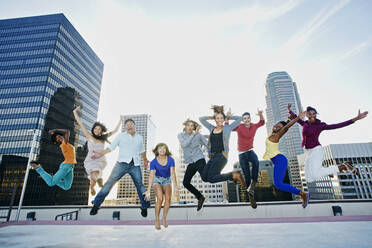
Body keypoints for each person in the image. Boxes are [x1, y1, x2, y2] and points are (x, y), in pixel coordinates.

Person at [288, 104, 368, 182]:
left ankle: (344, 166)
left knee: (315, 175)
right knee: (309, 178)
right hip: (308, 152)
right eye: (310, 114)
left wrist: (356, 118)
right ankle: (326, 170)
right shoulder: (304, 123)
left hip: (316, 150)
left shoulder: (320, 125)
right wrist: (289, 110)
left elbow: (337, 125)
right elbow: (296, 118)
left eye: (314, 114)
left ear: (316, 114)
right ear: (306, 115)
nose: (312, 115)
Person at [89, 118, 150, 217]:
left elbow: (142, 151)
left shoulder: (139, 137)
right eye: (127, 124)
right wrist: (100, 153)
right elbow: (111, 147)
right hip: (121, 164)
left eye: (131, 124)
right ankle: (96, 205)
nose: (129, 125)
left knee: (140, 185)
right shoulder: (121, 136)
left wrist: (145, 160)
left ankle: (144, 206)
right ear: (125, 127)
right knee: (109, 183)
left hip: (135, 165)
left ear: (134, 126)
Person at [263, 111, 310, 208]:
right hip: (277, 161)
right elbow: (285, 125)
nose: (276, 126)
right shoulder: (271, 134)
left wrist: (297, 118)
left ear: (281, 130)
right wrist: (288, 120)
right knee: (278, 184)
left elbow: (286, 127)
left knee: (278, 184)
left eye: (279, 127)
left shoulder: (276, 136)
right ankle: (302, 194)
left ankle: (302, 194)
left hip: (280, 160)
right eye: (276, 125)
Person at [73, 106, 122, 195]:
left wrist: (120, 121)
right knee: (93, 177)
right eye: (95, 128)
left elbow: (115, 131)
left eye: (99, 129)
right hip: (90, 159)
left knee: (94, 173)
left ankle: (97, 180)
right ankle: (93, 186)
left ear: (101, 131)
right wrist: (75, 112)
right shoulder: (89, 136)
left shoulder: (103, 138)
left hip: (99, 159)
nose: (96, 130)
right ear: (93, 129)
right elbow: (80, 123)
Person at [199, 105, 246, 189]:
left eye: (221, 118)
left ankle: (235, 174)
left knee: (211, 178)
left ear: (224, 119)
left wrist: (230, 117)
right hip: (212, 156)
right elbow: (201, 119)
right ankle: (231, 176)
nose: (219, 120)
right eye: (217, 118)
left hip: (221, 156)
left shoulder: (227, 128)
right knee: (204, 177)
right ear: (215, 119)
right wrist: (211, 117)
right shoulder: (211, 128)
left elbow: (240, 119)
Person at [227, 109, 265, 209]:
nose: (246, 120)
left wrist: (261, 114)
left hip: (250, 151)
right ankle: (251, 197)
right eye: (244, 119)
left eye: (248, 118)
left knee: (256, 162)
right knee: (247, 175)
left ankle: (253, 185)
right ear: (242, 120)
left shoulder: (254, 126)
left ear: (250, 119)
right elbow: (228, 128)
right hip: (241, 154)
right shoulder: (239, 127)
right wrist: (227, 118)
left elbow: (262, 122)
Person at [144, 143, 178, 230]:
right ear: (157, 150)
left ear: (166, 150)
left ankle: (163, 218)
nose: (162, 150)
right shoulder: (153, 162)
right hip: (157, 180)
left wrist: (176, 187)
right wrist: (148, 190)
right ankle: (157, 220)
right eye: (160, 148)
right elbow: (151, 176)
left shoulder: (170, 160)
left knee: (168, 199)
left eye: (164, 148)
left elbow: (173, 173)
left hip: (167, 180)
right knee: (160, 199)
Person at [178, 119, 208, 211]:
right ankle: (200, 197)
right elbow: (184, 145)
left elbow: (208, 144)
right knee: (185, 183)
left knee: (205, 178)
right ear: (185, 126)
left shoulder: (199, 135)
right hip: (191, 162)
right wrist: (193, 135)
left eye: (192, 126)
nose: (190, 127)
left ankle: (228, 176)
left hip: (199, 159)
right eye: (188, 125)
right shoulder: (181, 135)